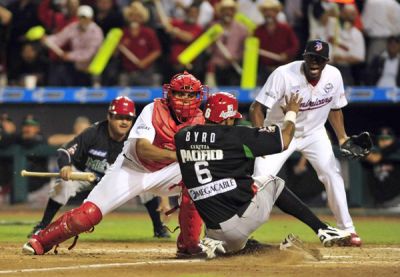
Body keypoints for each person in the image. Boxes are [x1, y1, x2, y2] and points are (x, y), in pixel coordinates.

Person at [22, 71, 206, 256]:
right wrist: (179, 155)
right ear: (170, 94)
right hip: (132, 168)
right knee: (86, 216)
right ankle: (40, 240)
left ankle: (191, 244)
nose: (185, 99)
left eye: (191, 95)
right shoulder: (153, 110)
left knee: (201, 178)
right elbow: (143, 149)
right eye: (180, 94)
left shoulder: (200, 120)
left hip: (166, 172)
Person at [174, 92, 351, 259]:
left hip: (214, 231)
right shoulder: (237, 135)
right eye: (232, 119)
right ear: (227, 119)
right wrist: (291, 113)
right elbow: (285, 140)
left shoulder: (182, 137)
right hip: (239, 221)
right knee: (272, 182)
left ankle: (279, 251)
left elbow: (207, 141)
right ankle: (322, 229)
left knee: (239, 242)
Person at [249, 39, 361, 246]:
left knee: (331, 173)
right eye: (311, 57)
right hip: (280, 133)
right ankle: (241, 231)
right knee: (261, 180)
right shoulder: (283, 74)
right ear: (304, 57)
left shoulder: (334, 75)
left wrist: (342, 137)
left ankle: (347, 229)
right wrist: (261, 139)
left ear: (326, 61)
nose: (315, 62)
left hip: (314, 133)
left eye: (319, 59)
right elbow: (256, 108)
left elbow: (335, 108)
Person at [27, 96, 169, 239]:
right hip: (87, 176)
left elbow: (152, 169)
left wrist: (163, 197)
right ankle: (42, 226)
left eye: (128, 118)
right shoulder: (93, 132)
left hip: (118, 179)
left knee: (145, 185)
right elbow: (65, 151)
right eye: (119, 117)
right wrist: (65, 166)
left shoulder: (136, 139)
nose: (124, 122)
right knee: (63, 185)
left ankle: (159, 228)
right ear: (109, 116)